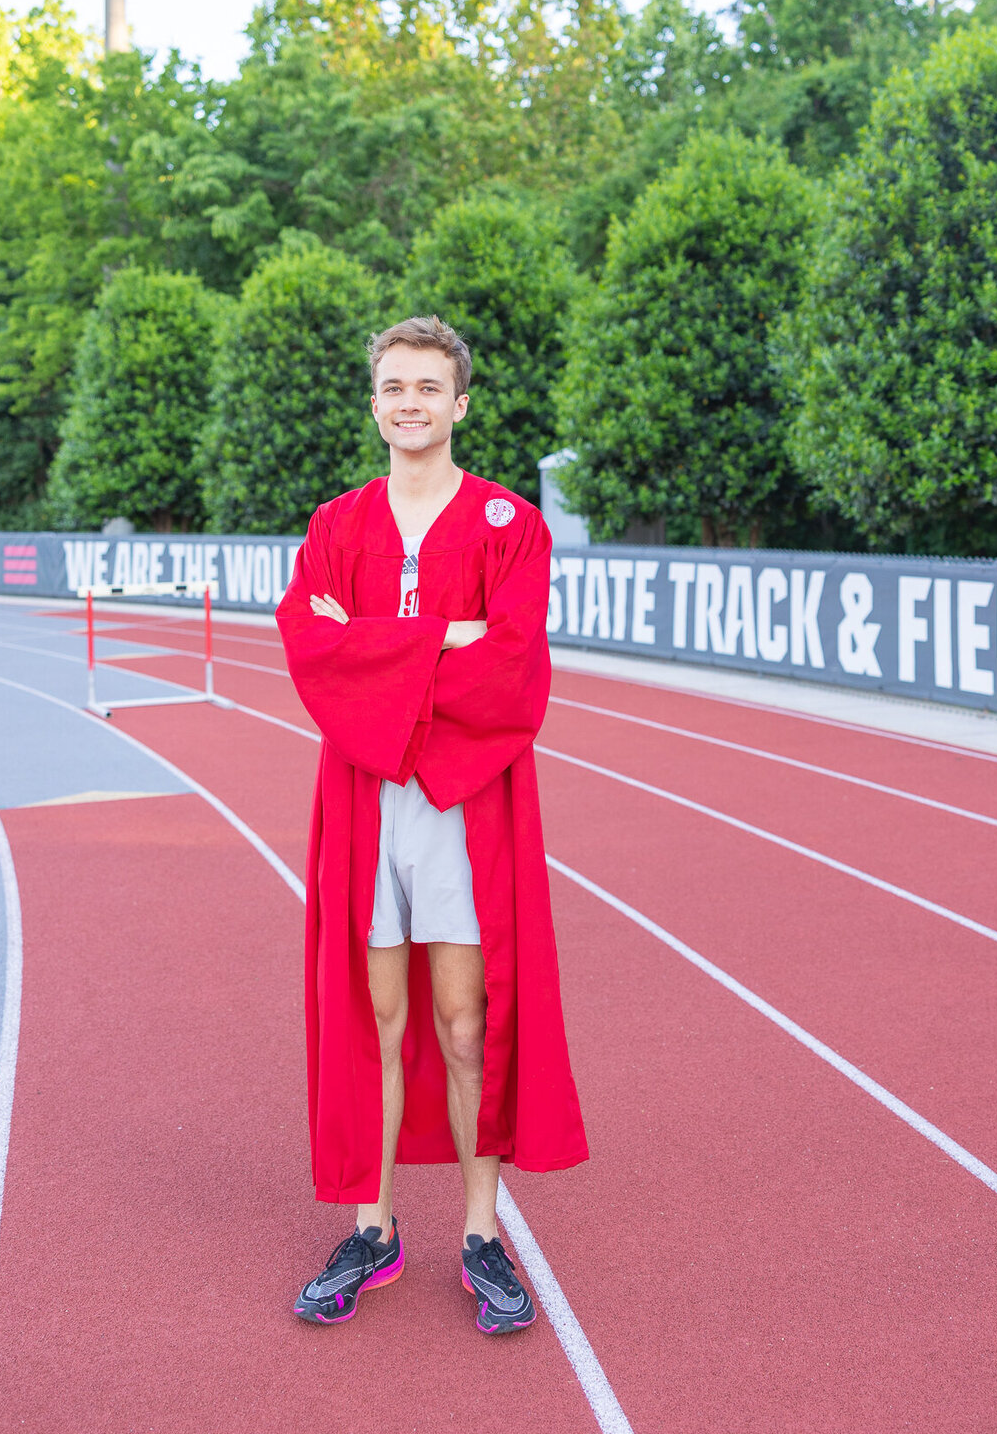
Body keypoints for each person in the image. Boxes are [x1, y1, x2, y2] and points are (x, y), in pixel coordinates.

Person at [277, 315, 587, 1337]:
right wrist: (436, 641)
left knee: (466, 1026)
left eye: (428, 387)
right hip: (364, 803)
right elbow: (308, 654)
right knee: (376, 1022)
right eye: (393, 386)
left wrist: (375, 650)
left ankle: (481, 1235)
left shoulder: (509, 526)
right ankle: (374, 1228)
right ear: (376, 403)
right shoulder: (336, 527)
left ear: (460, 404)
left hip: (463, 802)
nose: (410, 401)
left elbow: (512, 671)